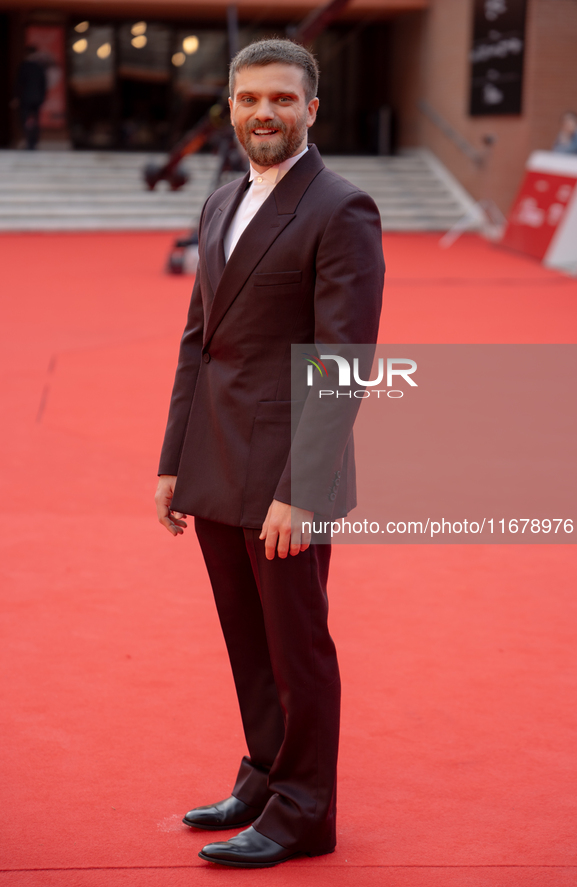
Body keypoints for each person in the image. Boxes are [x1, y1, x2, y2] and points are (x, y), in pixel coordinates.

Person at [155, 38, 384, 869]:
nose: (264, 112)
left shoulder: (340, 207)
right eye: (250, 98)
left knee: (297, 647)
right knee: (246, 642)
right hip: (216, 460)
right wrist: (172, 458)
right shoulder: (219, 202)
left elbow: (341, 360)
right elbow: (197, 340)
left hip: (288, 473)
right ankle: (263, 775)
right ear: (231, 104)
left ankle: (305, 811)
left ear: (311, 109)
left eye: (283, 99)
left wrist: (302, 489)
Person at [15, 46, 47, 150]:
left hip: (25, 97)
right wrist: (42, 97)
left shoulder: (24, 66)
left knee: (25, 119)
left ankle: (29, 140)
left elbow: (19, 83)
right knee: (35, 119)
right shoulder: (39, 67)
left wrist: (15, 97)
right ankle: (34, 141)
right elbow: (44, 84)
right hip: (37, 98)